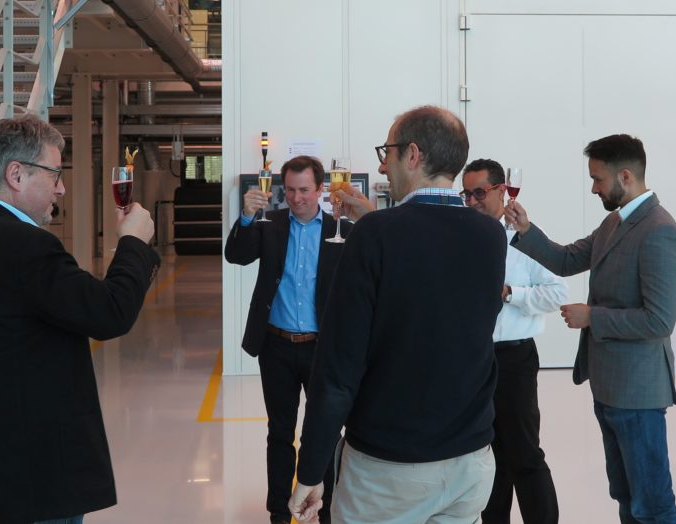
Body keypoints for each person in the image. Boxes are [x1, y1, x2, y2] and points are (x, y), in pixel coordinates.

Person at [0, 115, 159, 524]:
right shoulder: (28, 247)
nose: (61, 187)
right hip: (27, 476)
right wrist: (133, 243)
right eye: (55, 173)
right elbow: (109, 312)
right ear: (17, 174)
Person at [289, 106, 506, 524]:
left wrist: (311, 467)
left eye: (386, 151)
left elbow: (337, 370)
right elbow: (433, 264)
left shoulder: (374, 236)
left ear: (412, 154)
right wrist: (376, 221)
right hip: (471, 460)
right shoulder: (491, 236)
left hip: (389, 468)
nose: (381, 163)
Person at [504, 134, 676, 523]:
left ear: (625, 176)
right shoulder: (614, 222)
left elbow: (659, 320)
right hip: (609, 386)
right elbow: (567, 259)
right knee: (625, 495)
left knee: (652, 503)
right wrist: (526, 228)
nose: (593, 187)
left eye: (598, 179)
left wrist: (592, 316)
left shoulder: (659, 230)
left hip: (638, 392)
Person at [224, 155, 349, 524]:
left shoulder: (341, 230)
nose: (296, 198)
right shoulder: (270, 224)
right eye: (290, 190)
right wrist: (245, 217)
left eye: (305, 190)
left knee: (322, 433)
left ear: (320, 189)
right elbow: (237, 255)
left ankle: (323, 510)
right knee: (279, 432)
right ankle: (279, 512)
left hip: (321, 348)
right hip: (276, 346)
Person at [461, 159, 566, 524]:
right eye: (466, 194)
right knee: (486, 455)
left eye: (479, 193)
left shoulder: (523, 241)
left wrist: (511, 293)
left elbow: (558, 292)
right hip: (474, 360)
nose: (471, 201)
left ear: (501, 191)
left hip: (514, 361)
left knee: (523, 454)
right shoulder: (463, 239)